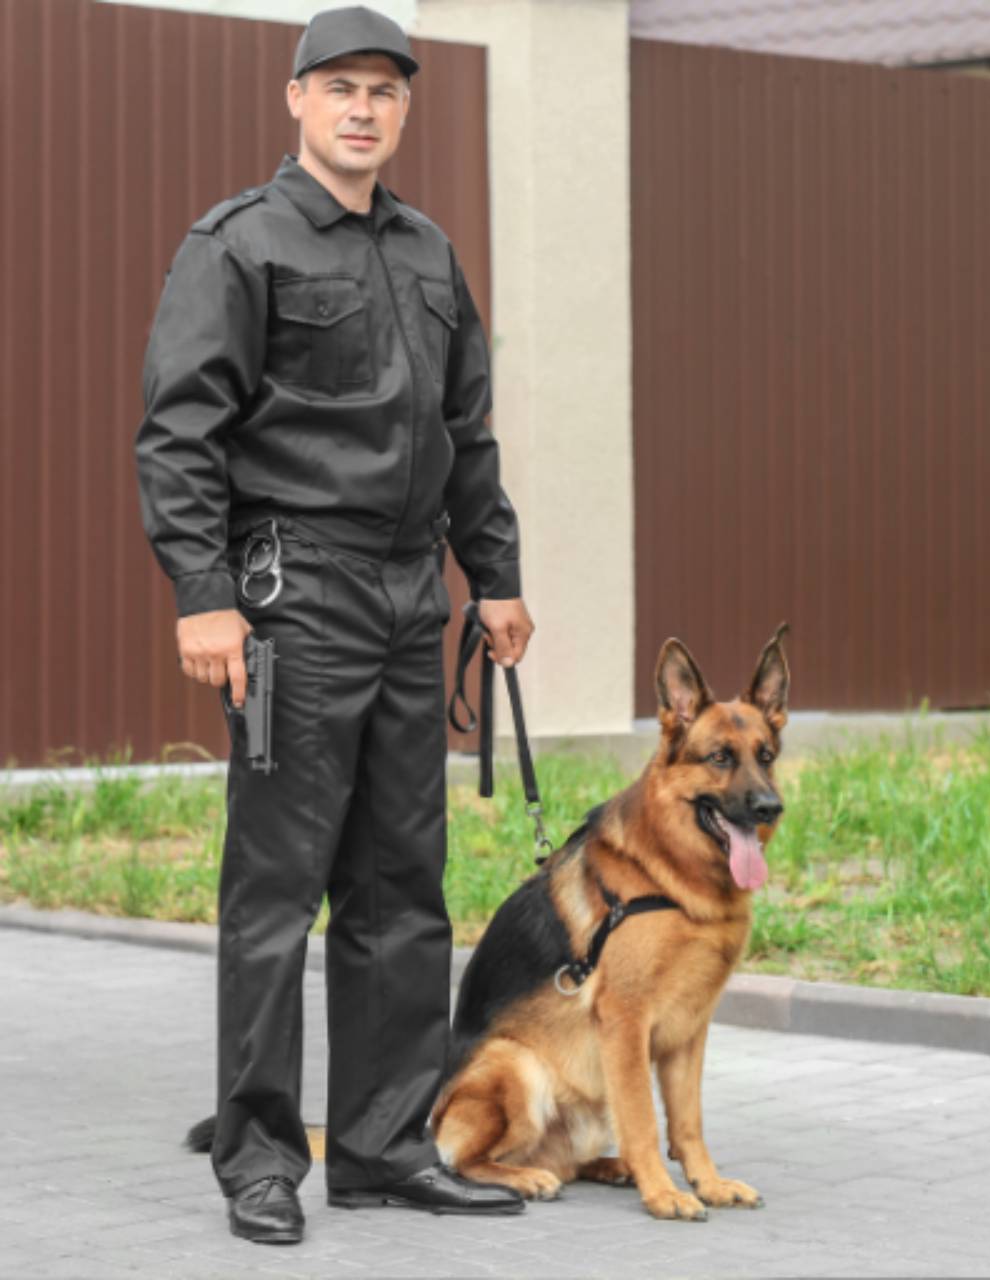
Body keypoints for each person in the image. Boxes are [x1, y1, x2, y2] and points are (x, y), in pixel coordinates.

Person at [135, 5, 534, 1245]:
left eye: (385, 90)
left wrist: (495, 573)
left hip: (412, 596)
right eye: (341, 87)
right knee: (277, 887)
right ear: (296, 98)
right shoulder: (238, 245)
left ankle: (383, 1145)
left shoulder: (427, 252)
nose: (363, 108)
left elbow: (465, 431)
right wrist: (203, 592)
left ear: (403, 110)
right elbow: (180, 435)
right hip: (291, 600)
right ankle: (261, 1159)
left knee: (401, 884)